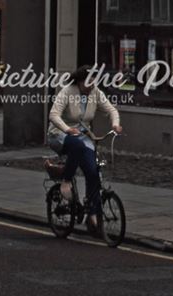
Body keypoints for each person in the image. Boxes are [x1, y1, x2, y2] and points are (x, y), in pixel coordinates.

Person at [48, 65, 122, 233]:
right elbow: (53, 115)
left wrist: (115, 124)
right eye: (88, 83)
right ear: (80, 81)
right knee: (77, 145)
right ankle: (66, 181)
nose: (91, 86)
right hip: (59, 135)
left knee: (93, 172)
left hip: (82, 136)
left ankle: (92, 214)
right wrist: (67, 129)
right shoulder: (67, 91)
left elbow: (111, 109)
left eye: (93, 82)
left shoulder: (95, 92)